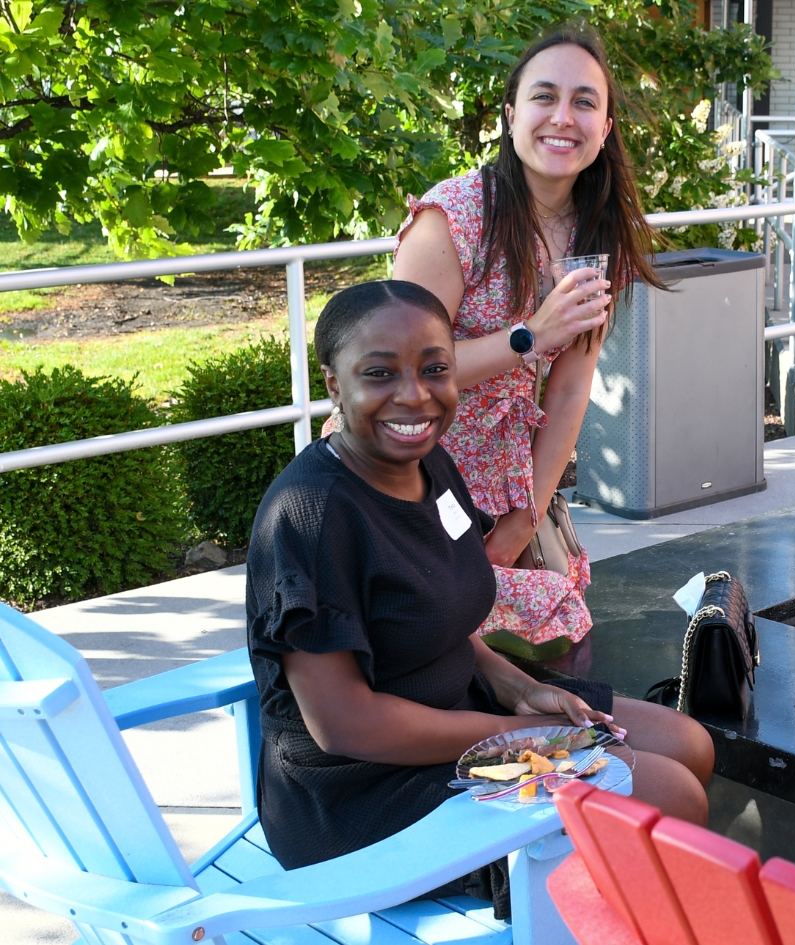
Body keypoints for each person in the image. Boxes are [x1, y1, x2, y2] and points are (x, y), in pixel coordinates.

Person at [246, 282, 706, 916]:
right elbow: (345, 726)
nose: (414, 395)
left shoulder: (430, 467)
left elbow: (430, 613)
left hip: (461, 709)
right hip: (363, 801)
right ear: (333, 383)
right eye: (380, 374)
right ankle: (582, 912)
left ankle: (604, 906)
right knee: (669, 796)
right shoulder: (312, 517)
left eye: (435, 368)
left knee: (688, 744)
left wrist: (520, 688)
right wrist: (522, 735)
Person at [372, 25, 715, 798]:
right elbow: (397, 372)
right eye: (545, 97)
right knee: (438, 654)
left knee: (558, 639)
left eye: (584, 102)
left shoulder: (598, 238)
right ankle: (470, 805)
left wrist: (526, 516)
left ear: (606, 129)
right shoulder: (453, 218)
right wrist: (530, 336)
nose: (564, 116)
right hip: (414, 467)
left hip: (511, 474)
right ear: (509, 112)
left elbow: (568, 388)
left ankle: (561, 801)